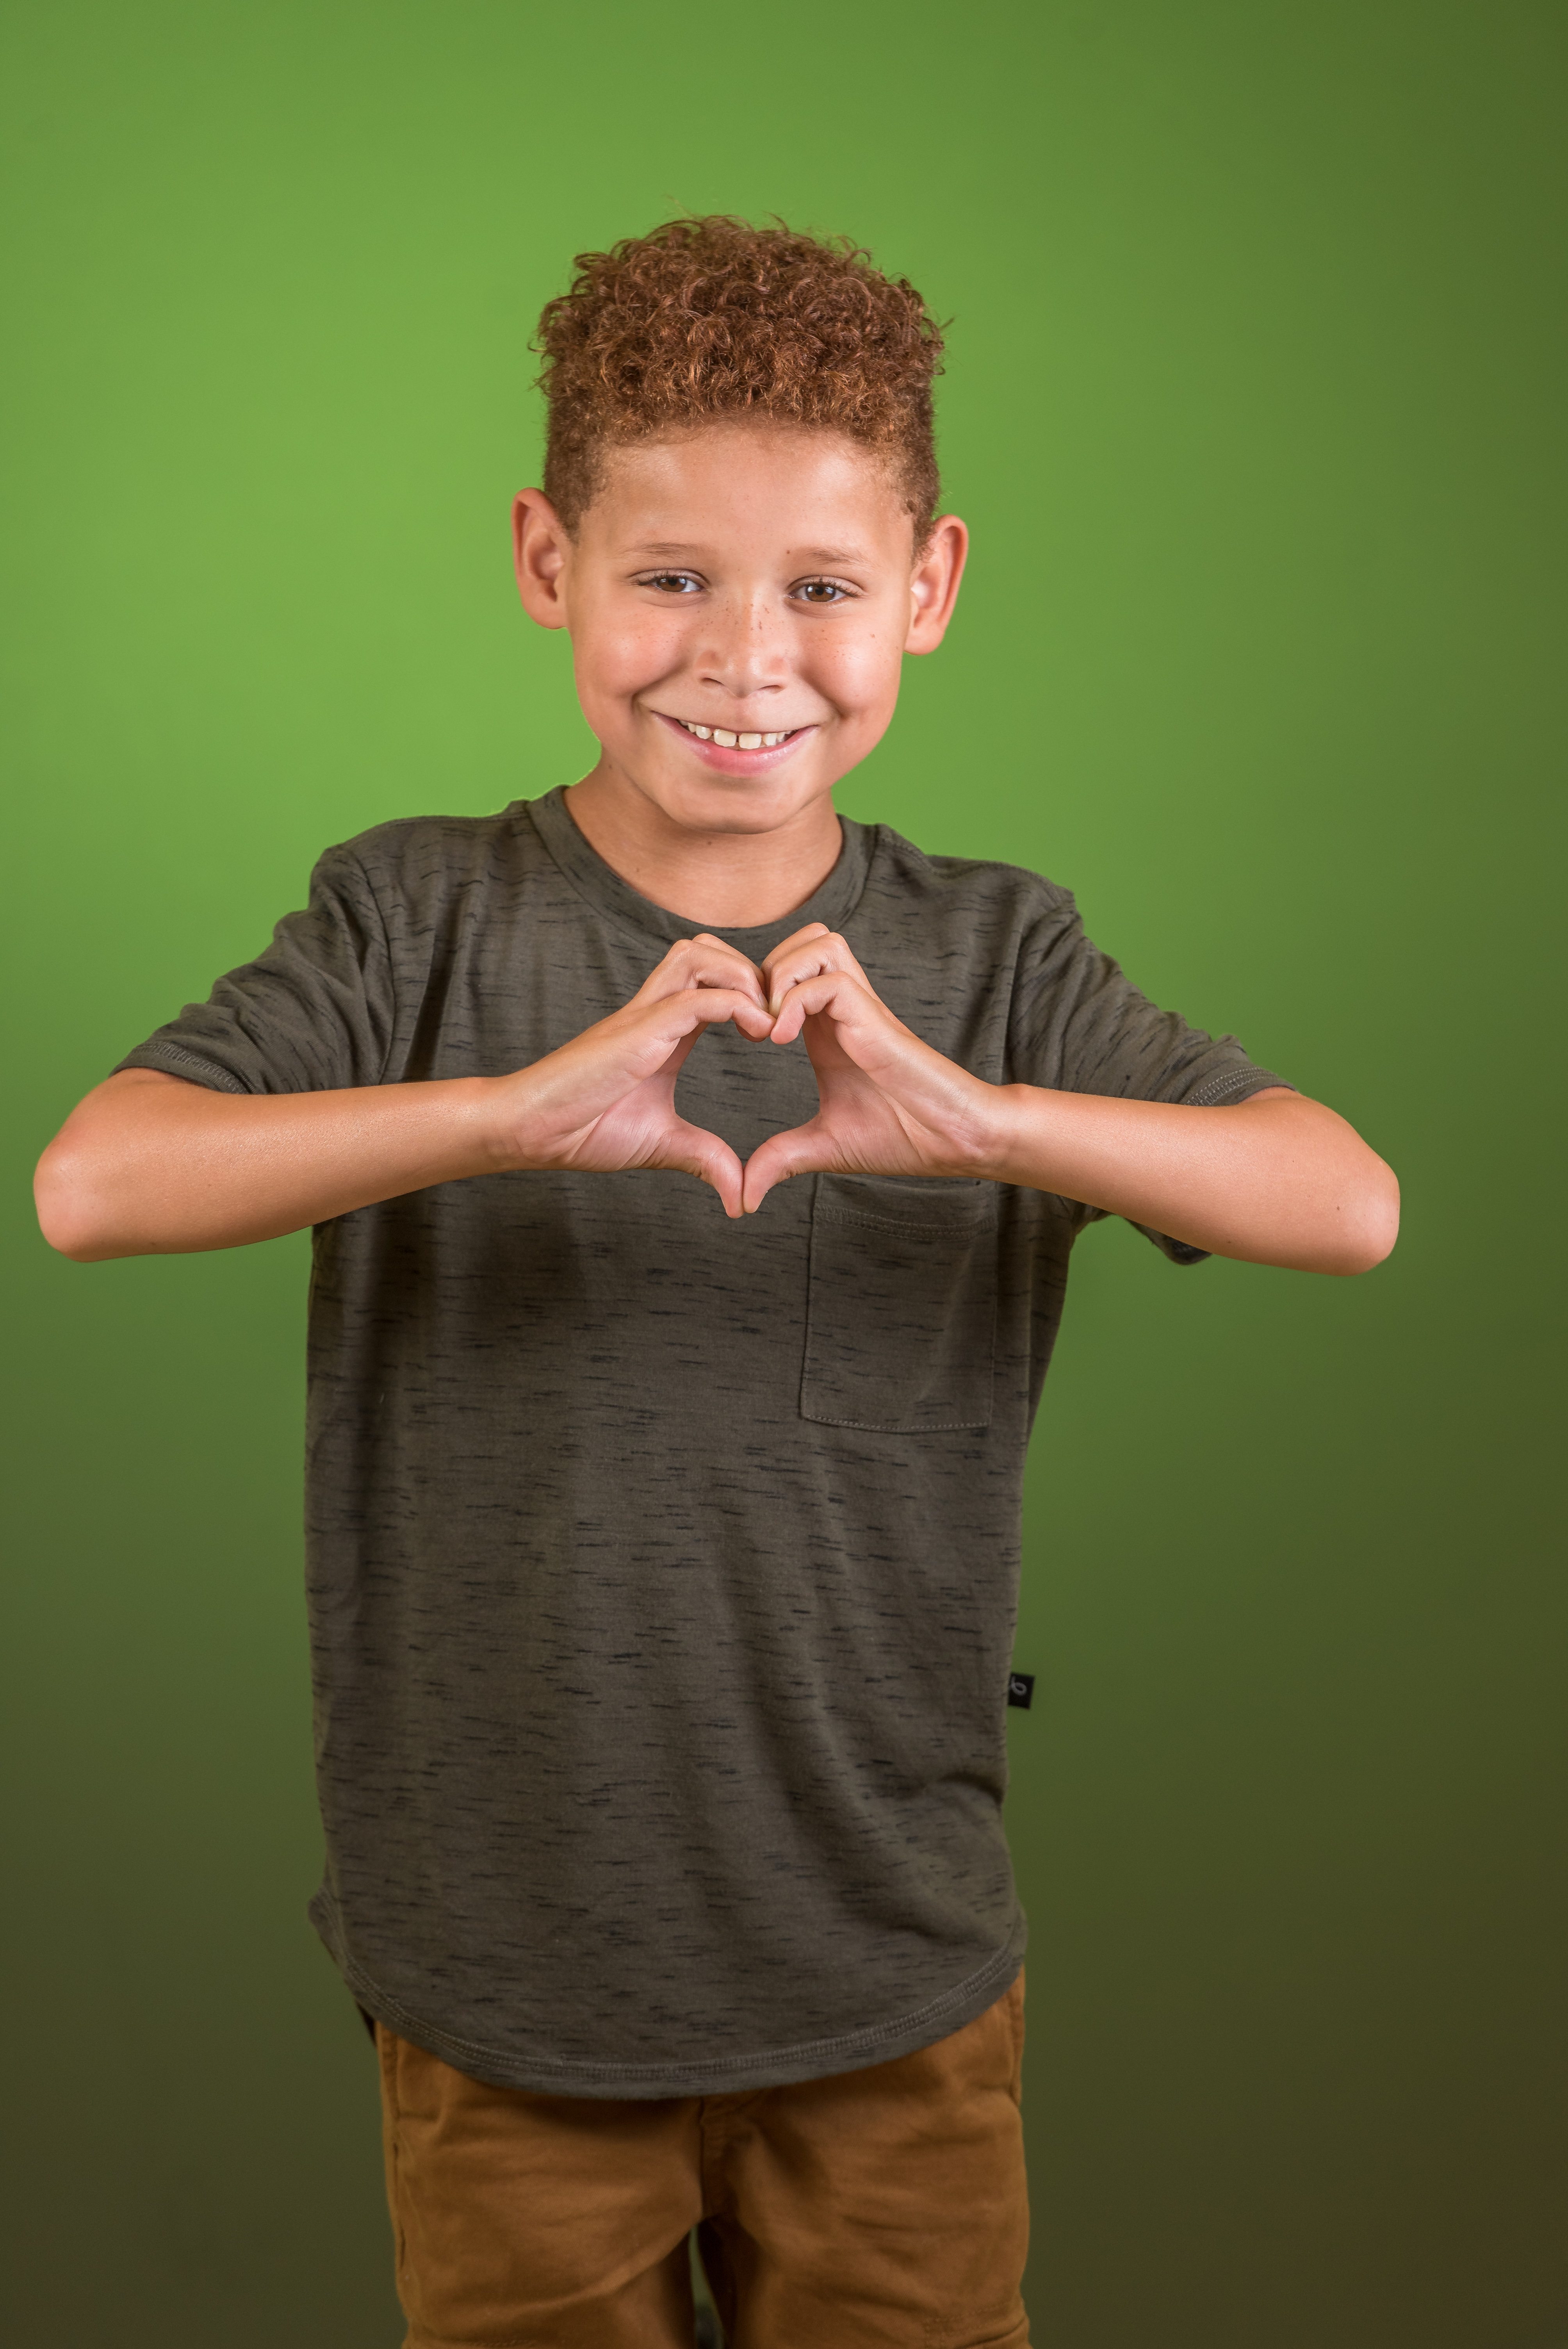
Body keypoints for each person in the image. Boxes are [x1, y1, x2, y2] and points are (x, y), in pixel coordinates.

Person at [34, 216, 1398, 2349]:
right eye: (670, 576)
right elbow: (95, 1185)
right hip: (503, 1978)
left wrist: (987, 1123)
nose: (744, 657)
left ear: (928, 589)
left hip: (890, 1966)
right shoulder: (416, 919)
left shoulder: (999, 957)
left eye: (822, 589)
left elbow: (1345, 1200)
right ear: (545, 560)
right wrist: (505, 1113)